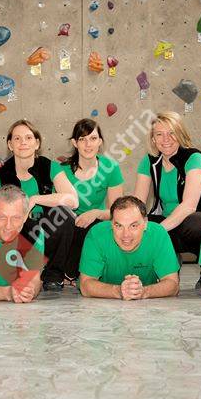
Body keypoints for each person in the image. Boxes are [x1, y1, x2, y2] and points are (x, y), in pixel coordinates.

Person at [0, 119, 78, 290]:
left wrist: (34, 199)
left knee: (65, 214)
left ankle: (53, 275)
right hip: (15, 235)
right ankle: (20, 272)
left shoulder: (50, 166)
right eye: (17, 139)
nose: (23, 142)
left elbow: (73, 200)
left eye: (28, 137)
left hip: (44, 231)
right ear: (10, 145)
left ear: (37, 143)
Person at [133, 111, 201, 261]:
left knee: (194, 224)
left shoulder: (194, 158)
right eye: (159, 134)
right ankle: (170, 263)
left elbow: (189, 206)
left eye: (172, 133)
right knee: (138, 224)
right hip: (167, 219)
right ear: (153, 139)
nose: (166, 139)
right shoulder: (149, 161)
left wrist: (158, 231)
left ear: (180, 134)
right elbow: (137, 204)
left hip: (194, 220)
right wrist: (134, 225)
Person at [60, 119, 124, 284]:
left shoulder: (110, 167)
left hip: (97, 222)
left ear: (100, 141)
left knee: (94, 228)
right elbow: (57, 207)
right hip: (69, 224)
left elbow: (118, 212)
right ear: (75, 143)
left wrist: (95, 213)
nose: (88, 144)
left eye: (93, 138)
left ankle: (72, 273)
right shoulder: (63, 170)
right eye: (82, 139)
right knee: (62, 221)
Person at [78, 196, 180, 300]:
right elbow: (85, 285)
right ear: (111, 224)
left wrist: (144, 292)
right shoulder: (96, 235)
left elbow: (173, 284)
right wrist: (118, 291)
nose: (126, 235)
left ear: (145, 223)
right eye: (119, 226)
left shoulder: (158, 235)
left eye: (133, 226)